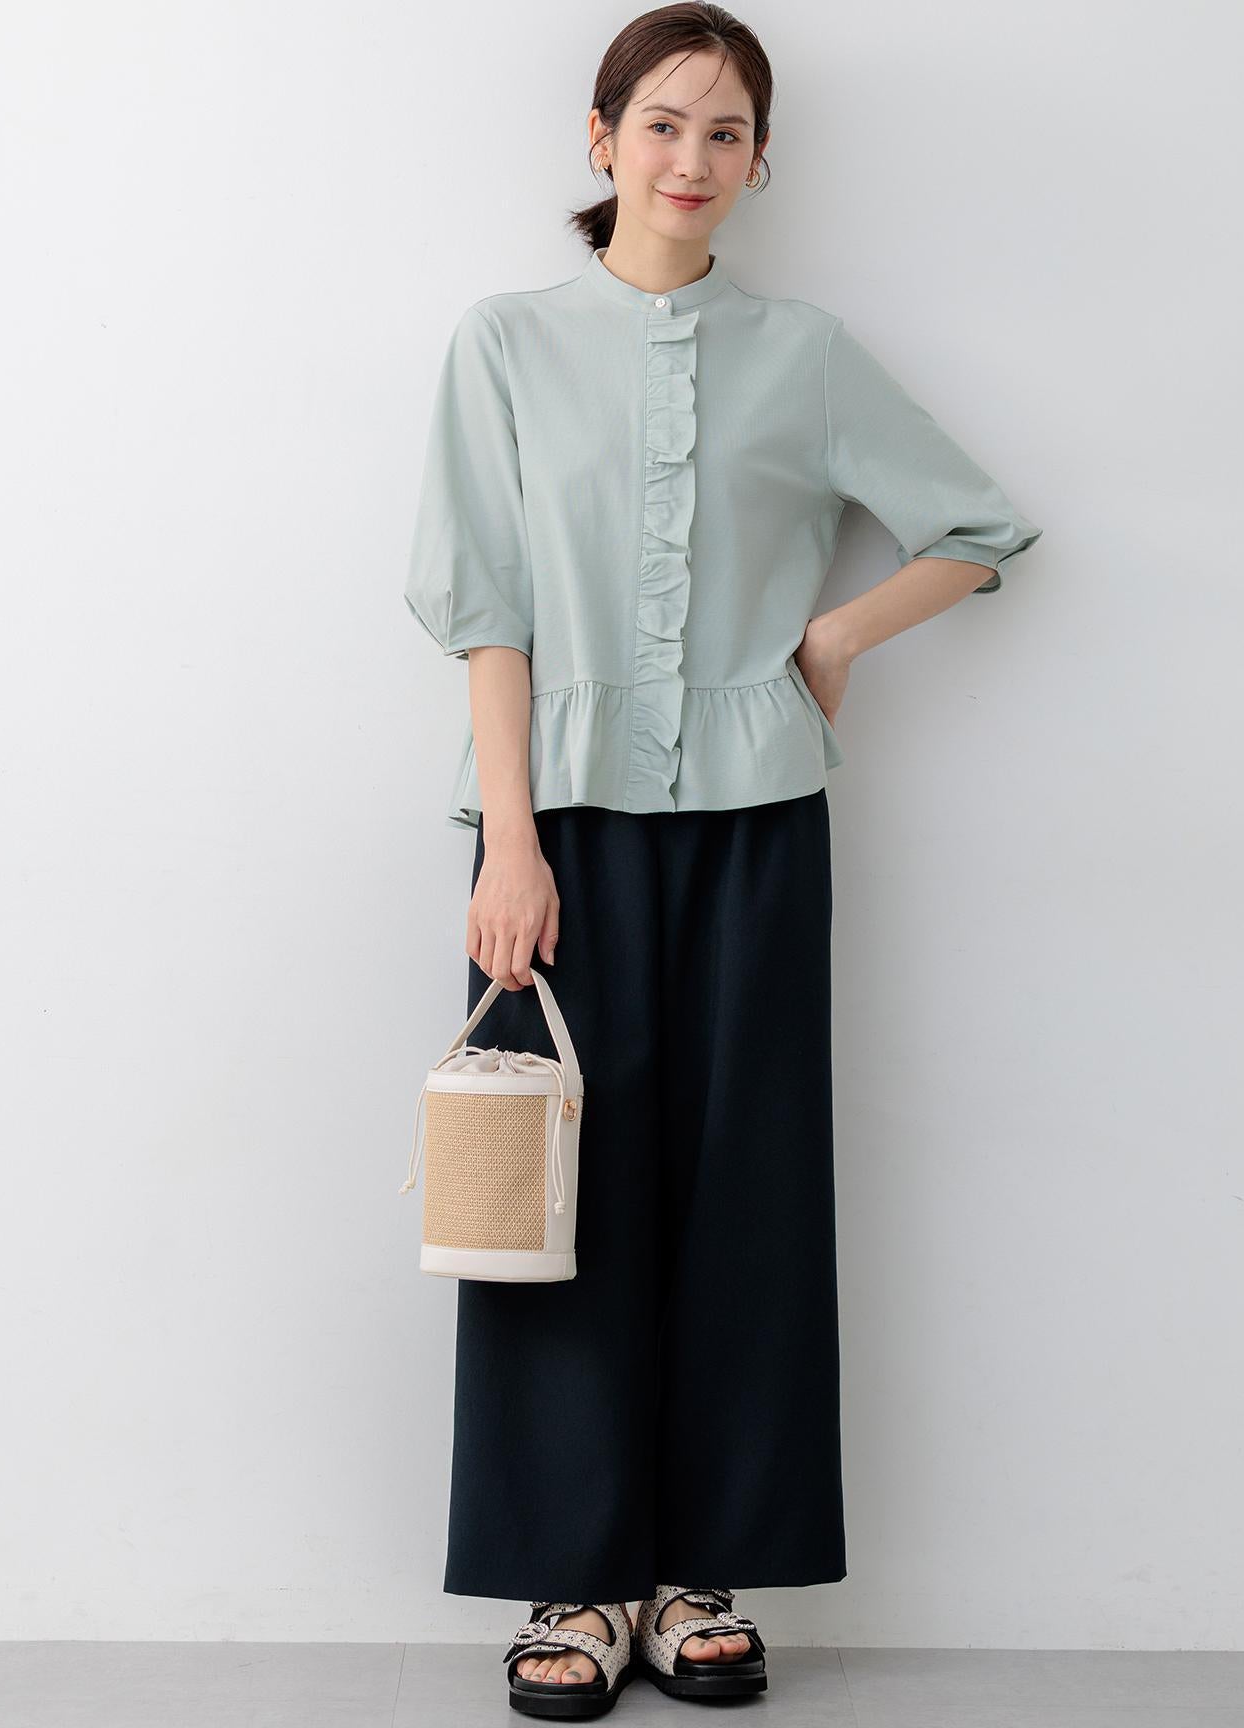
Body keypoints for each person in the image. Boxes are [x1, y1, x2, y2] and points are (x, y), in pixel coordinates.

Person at [402, 3, 1043, 1715]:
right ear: (601, 139)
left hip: (760, 822)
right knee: (551, 1198)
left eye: (729, 132)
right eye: (664, 124)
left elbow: (981, 527)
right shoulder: (505, 345)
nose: (693, 159)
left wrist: (833, 639)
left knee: (746, 1195)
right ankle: (574, 1578)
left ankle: (699, 1572)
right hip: (558, 829)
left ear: (763, 163)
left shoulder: (807, 354)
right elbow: (484, 609)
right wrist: (510, 843)